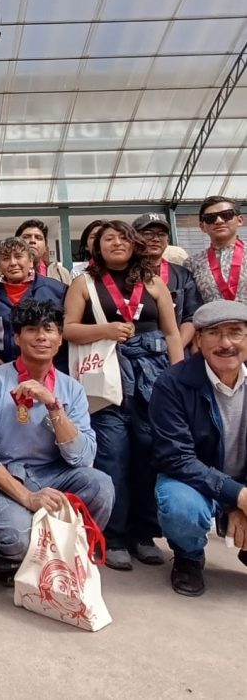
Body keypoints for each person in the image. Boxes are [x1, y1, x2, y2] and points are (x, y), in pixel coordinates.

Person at [64, 220, 184, 570]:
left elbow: (173, 333)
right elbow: (68, 329)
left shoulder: (154, 283)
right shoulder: (83, 283)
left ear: (134, 244)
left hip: (153, 379)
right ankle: (113, 535)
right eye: (107, 239)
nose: (116, 243)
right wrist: (105, 329)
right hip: (106, 382)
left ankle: (143, 534)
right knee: (112, 456)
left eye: (122, 238)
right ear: (95, 247)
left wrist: (176, 379)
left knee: (149, 454)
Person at [0, 299, 114, 585]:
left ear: (60, 339)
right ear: (17, 338)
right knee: (17, 541)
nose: (41, 337)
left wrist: (53, 406)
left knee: (101, 486)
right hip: (4, 477)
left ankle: (65, 551)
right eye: (32, 330)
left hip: (53, 473)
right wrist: (27, 497)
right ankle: (5, 555)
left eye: (49, 330)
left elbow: (82, 458)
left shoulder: (71, 388)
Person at [149, 300, 247, 597]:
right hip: (193, 480)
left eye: (236, 332)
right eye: (214, 333)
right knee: (180, 506)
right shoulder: (173, 383)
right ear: (199, 340)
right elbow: (175, 457)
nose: (226, 343)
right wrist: (237, 496)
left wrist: (241, 500)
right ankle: (188, 557)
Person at [0, 237, 66, 367]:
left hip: (49, 369)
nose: (13, 263)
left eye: (18, 256)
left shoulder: (57, 291)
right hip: (3, 369)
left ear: (31, 261)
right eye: (5, 258)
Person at [132, 213, 202, 349]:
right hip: (132, 350)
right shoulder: (124, 273)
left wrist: (175, 348)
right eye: (147, 233)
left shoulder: (183, 274)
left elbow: (191, 317)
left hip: (175, 350)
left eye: (161, 234)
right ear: (134, 237)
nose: (155, 239)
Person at [185, 196, 247, 304]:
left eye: (226, 215)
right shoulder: (192, 263)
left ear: (240, 220)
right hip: (210, 320)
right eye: (210, 218)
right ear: (202, 226)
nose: (219, 221)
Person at [0, 220, 71, 286]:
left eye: (38, 238)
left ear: (46, 247)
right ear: (16, 242)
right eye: (26, 237)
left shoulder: (60, 273)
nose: (33, 241)